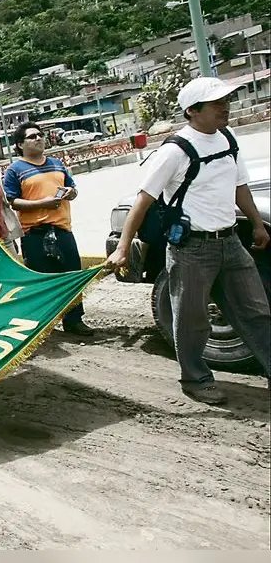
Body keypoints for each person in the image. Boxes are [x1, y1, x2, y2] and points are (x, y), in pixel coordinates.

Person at [106, 77, 270, 404]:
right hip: (191, 249)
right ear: (193, 111)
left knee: (257, 312)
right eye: (216, 103)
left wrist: (257, 224)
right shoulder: (174, 151)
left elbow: (239, 186)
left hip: (231, 243)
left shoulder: (227, 138)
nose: (225, 107)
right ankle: (195, 379)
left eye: (226, 100)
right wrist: (123, 248)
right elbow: (144, 200)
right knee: (192, 320)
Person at [4, 121, 94, 337]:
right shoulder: (14, 170)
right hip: (35, 233)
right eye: (32, 136)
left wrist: (71, 193)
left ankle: (74, 320)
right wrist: (41, 204)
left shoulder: (56, 163)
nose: (38, 138)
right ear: (20, 144)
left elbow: (72, 187)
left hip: (62, 228)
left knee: (71, 274)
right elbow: (12, 201)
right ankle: (44, 324)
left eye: (40, 135)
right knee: (43, 279)